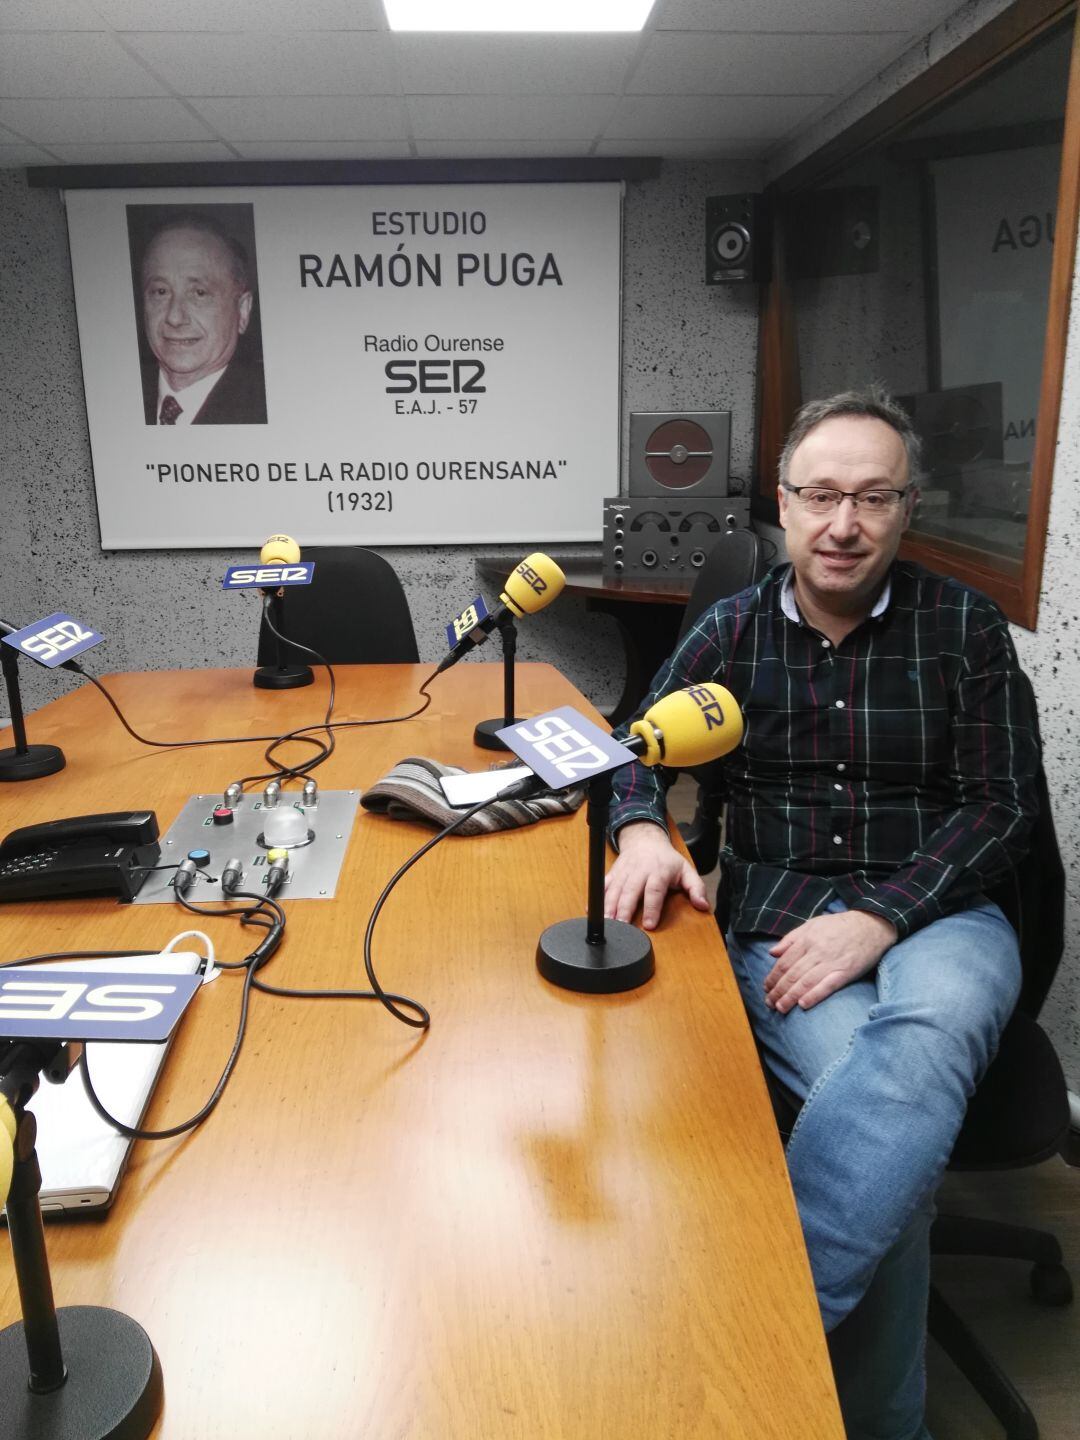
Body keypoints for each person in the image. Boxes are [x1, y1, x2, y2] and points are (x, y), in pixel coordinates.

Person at [604, 387, 1038, 1440]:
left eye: (873, 497)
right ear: (784, 507)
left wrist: (882, 916)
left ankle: (753, 1330)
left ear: (908, 508)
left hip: (943, 912)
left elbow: (1004, 807)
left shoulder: (965, 627)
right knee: (891, 1134)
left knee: (916, 1051)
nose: (844, 524)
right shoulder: (733, 627)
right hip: (782, 919)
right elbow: (629, 753)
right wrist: (644, 831)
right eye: (821, 496)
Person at [139, 216, 266, 426]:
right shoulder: (115, 396)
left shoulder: (265, 407)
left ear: (242, 311)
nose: (174, 317)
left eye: (199, 293)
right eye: (160, 291)